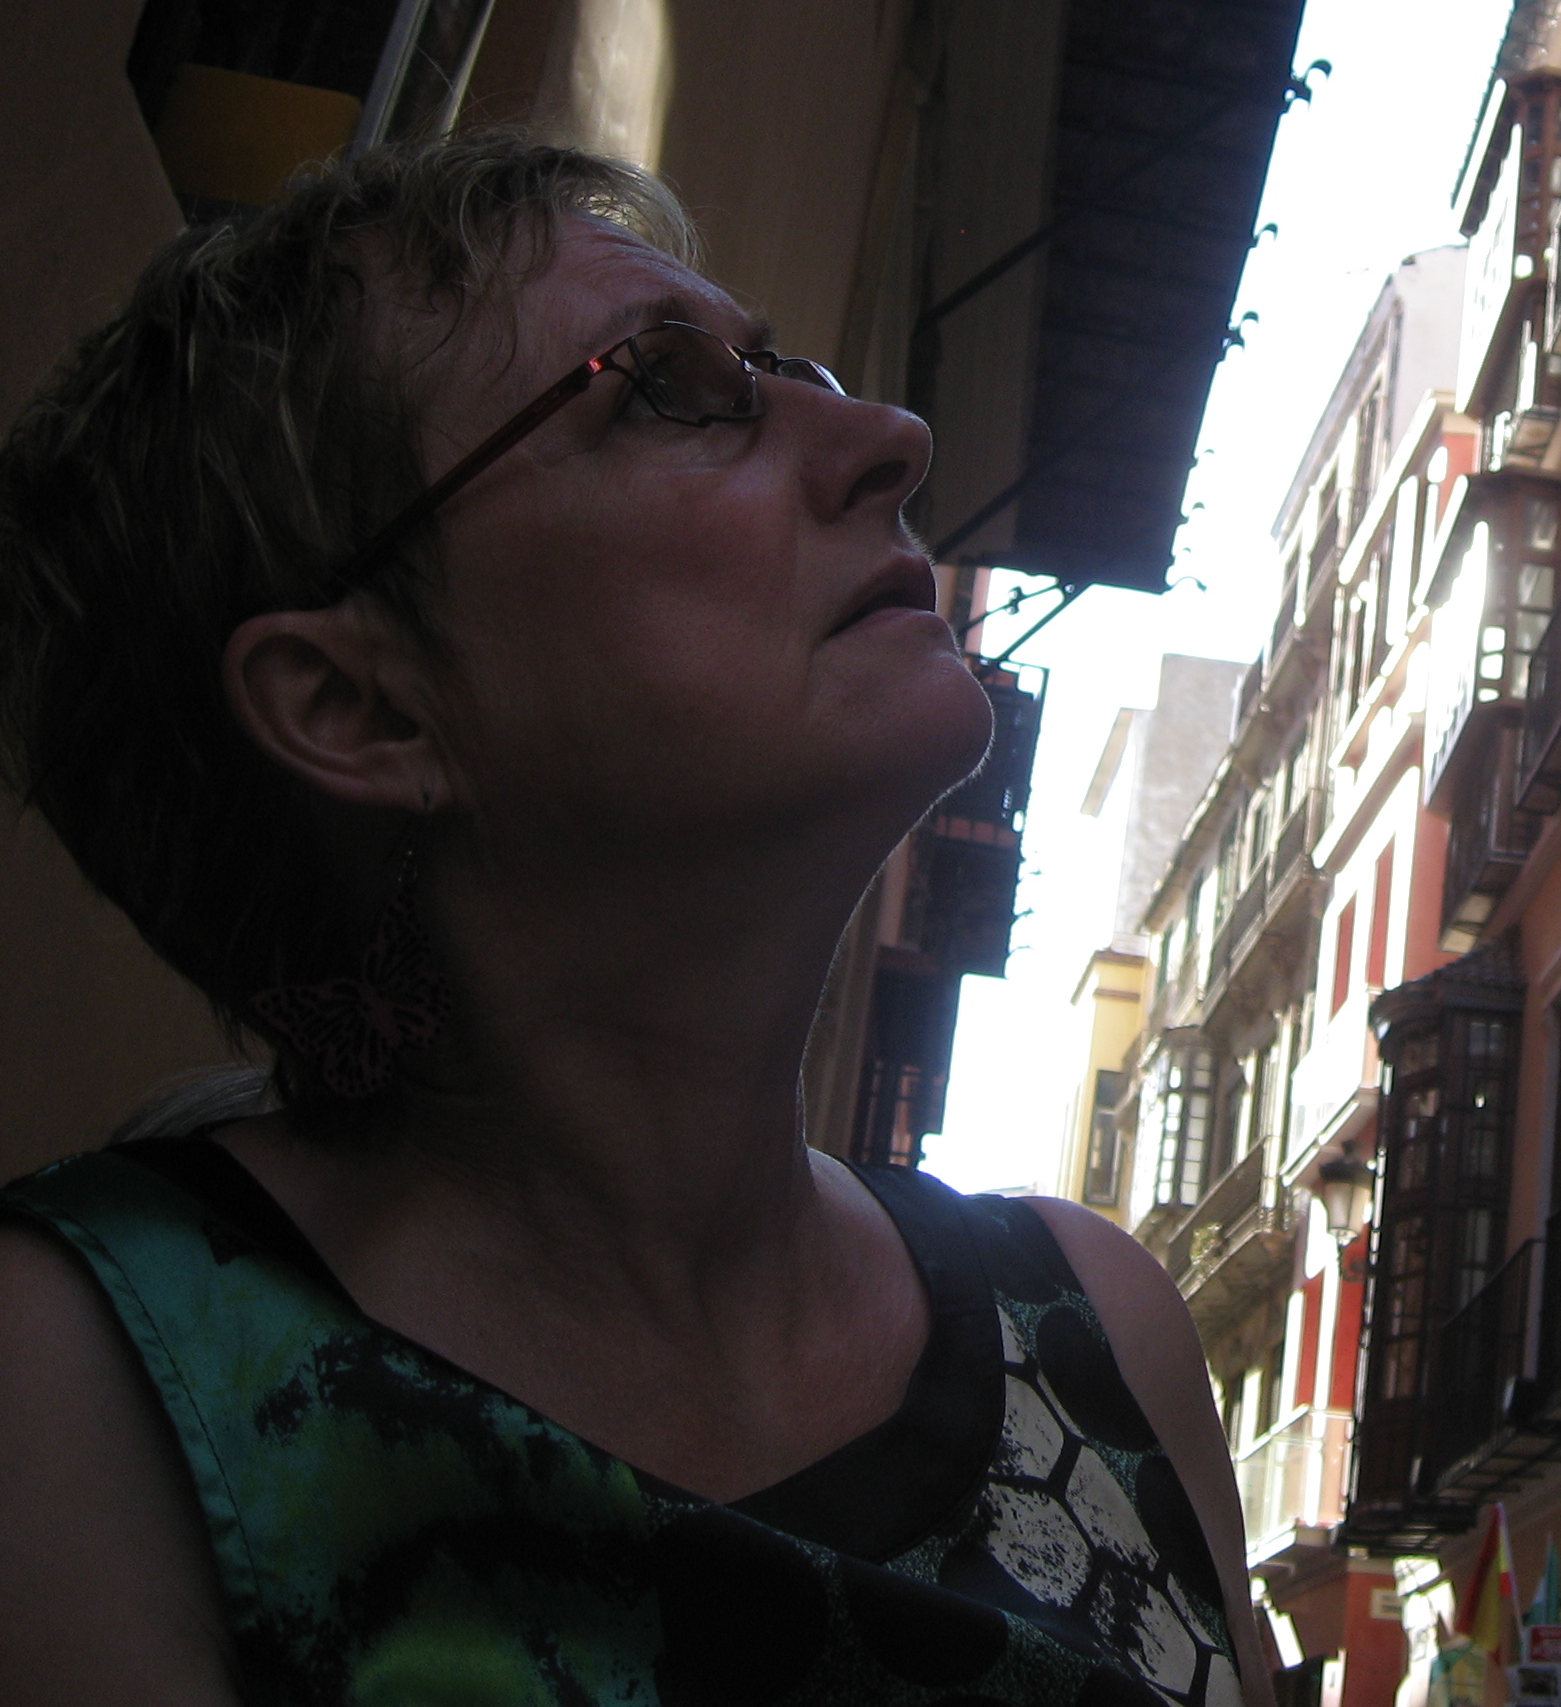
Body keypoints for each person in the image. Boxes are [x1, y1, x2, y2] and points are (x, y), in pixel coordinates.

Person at [0, 137, 1270, 1707]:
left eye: (785, 370)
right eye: (669, 389)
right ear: (356, 704)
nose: (890, 438)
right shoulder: (87, 1392)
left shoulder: (1103, 1334)